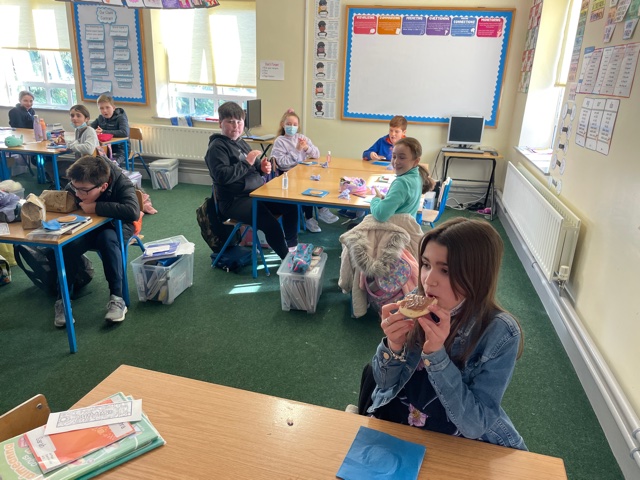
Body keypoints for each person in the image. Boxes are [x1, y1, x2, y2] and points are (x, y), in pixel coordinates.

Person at [357, 217, 527, 451]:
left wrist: (436, 355)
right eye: (426, 264)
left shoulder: (500, 333)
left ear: (477, 275)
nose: (429, 280)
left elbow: (475, 424)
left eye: (445, 270)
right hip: (399, 420)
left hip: (458, 440)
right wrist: (393, 346)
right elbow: (384, 383)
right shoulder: (415, 301)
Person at [204, 102, 298, 259]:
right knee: (271, 224)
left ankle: (292, 247)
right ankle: (288, 259)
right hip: (234, 201)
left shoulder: (240, 142)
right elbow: (222, 176)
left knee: (290, 206)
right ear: (220, 123)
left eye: (239, 121)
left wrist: (262, 167)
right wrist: (247, 163)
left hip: (256, 193)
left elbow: (255, 165)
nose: (236, 126)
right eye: (231, 122)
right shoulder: (216, 148)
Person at [54, 155, 140, 327]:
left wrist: (96, 207)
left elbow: (133, 211)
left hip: (118, 226)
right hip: (87, 226)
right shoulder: (79, 183)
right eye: (74, 187)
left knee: (107, 240)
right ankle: (62, 299)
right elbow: (69, 197)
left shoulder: (121, 182)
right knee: (67, 245)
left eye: (83, 190)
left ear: (104, 186)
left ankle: (117, 298)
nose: (77, 194)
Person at [271, 109, 339, 233]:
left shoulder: (301, 137)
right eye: (289, 124)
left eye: (295, 124)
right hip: (287, 176)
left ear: (298, 126)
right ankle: (310, 217)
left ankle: (321, 209)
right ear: (283, 124)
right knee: (307, 186)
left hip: (302, 172)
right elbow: (282, 163)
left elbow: (316, 154)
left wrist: (307, 147)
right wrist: (297, 150)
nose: (292, 127)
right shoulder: (280, 141)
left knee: (318, 180)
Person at [370, 137, 435, 223]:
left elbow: (380, 215)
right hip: (407, 227)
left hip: (395, 229)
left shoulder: (402, 183)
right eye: (394, 156)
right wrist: (387, 199)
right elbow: (404, 200)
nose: (396, 161)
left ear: (416, 161)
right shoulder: (418, 175)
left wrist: (376, 200)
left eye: (402, 157)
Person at [51, 105, 99, 186]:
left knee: (52, 166)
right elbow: (77, 143)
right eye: (72, 115)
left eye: (78, 116)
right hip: (80, 162)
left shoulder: (90, 131)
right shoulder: (78, 129)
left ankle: (68, 185)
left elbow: (89, 149)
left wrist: (69, 146)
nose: (74, 118)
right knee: (50, 164)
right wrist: (66, 143)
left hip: (88, 167)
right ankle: (68, 185)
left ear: (86, 119)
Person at [90, 94, 130, 166]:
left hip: (121, 148)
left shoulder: (121, 118)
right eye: (101, 108)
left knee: (111, 165)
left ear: (113, 108)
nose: (105, 111)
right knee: (93, 161)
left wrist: (103, 132)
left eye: (107, 107)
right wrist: (94, 131)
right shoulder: (100, 118)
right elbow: (90, 128)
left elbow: (124, 133)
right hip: (106, 148)